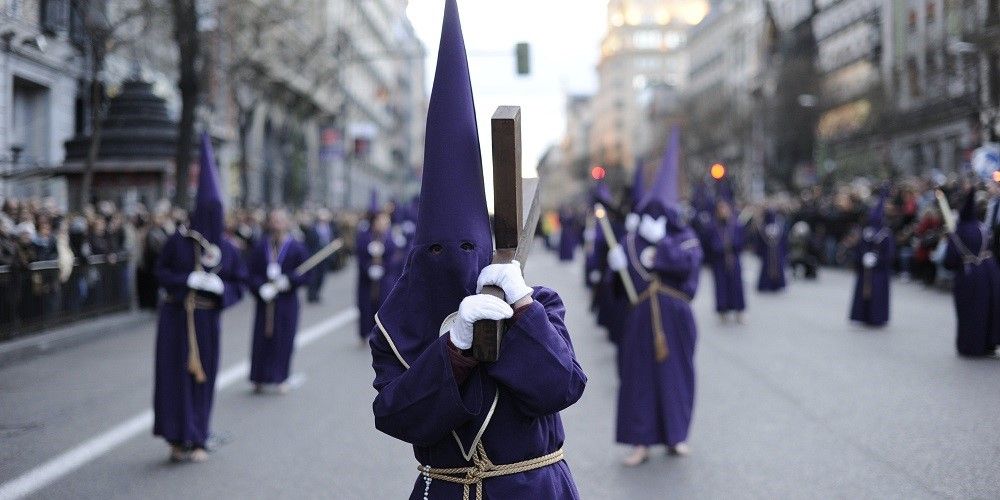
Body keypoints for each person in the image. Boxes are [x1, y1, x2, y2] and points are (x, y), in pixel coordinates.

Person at [369, 3, 586, 497]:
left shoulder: (540, 302)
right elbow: (397, 416)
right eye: (439, 250)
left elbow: (561, 387)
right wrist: (454, 352)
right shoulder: (396, 325)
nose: (455, 257)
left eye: (469, 246)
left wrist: (523, 312)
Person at [608, 126, 702, 466]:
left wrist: (662, 245)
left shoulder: (684, 238)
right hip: (639, 320)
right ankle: (640, 443)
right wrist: (613, 270)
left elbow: (689, 267)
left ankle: (676, 436)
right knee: (638, 380)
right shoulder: (632, 241)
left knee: (676, 377)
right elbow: (619, 287)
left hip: (676, 319)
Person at [153, 134, 245, 463]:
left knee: (203, 379)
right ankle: (177, 437)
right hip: (177, 317)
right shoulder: (178, 243)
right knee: (174, 378)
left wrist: (223, 290)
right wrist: (185, 279)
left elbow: (239, 283)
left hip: (207, 320)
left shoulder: (229, 249)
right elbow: (161, 274)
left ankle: (199, 436)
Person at [248, 208, 311, 393]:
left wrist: (289, 281)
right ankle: (258, 377)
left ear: (286, 223)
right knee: (261, 340)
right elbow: (251, 273)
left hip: (286, 302)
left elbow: (306, 274)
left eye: (280, 221)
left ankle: (280, 377)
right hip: (265, 301)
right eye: (273, 221)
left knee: (284, 339)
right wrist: (260, 287)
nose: (276, 225)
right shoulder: (261, 247)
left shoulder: (297, 247)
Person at [943, 189, 1000, 356]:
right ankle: (988, 343)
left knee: (969, 310)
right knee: (987, 308)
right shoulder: (983, 229)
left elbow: (950, 260)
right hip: (988, 272)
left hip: (968, 274)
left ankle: (971, 345)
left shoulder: (958, 232)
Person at [849, 186, 894, 327]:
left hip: (879, 270)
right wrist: (863, 257)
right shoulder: (866, 232)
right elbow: (860, 248)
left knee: (877, 290)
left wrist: (878, 259)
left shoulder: (886, 234)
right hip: (865, 268)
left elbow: (890, 254)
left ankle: (877, 317)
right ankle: (863, 315)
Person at [356, 202, 398, 345]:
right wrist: (368, 268)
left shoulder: (389, 237)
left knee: (383, 306)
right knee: (365, 306)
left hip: (384, 278)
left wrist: (383, 268)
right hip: (367, 279)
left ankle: (381, 337)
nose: (384, 224)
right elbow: (360, 256)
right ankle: (363, 334)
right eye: (381, 221)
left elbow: (393, 257)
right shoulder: (364, 236)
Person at [705, 194, 746, 323]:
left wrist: (732, 245)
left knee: (736, 286)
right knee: (721, 287)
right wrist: (718, 247)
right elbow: (708, 244)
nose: (723, 211)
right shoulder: (712, 226)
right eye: (721, 208)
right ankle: (723, 311)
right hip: (719, 261)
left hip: (733, 259)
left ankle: (739, 312)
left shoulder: (736, 225)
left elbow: (742, 242)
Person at [304, 208, 338, 303]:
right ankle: (311, 295)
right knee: (313, 277)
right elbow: (308, 243)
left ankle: (317, 294)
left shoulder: (330, 228)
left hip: (326, 256)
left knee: (322, 277)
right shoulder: (313, 228)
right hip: (314, 257)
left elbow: (333, 239)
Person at [755, 207, 788, 292]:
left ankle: (777, 284)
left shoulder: (779, 226)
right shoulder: (763, 227)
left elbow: (783, 240)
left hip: (777, 251)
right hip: (767, 251)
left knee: (778, 266)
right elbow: (760, 242)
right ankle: (766, 284)